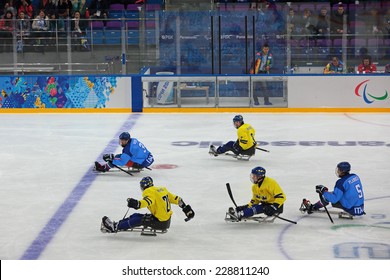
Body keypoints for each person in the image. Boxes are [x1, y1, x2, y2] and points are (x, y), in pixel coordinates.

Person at [101, 176, 195, 233]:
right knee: (136, 215)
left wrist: (137, 204)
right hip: (166, 220)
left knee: (137, 219)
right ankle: (118, 224)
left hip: (160, 223)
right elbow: (178, 199)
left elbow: (147, 202)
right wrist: (187, 210)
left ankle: (114, 227)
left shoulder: (149, 192)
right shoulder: (162, 189)